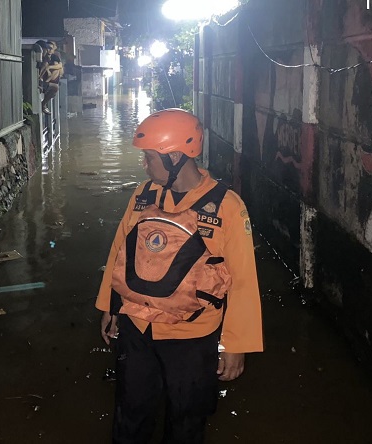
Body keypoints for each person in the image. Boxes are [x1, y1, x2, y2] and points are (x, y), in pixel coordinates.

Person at [95, 109, 263, 443]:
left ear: (174, 157)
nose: (144, 164)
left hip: (192, 335)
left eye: (149, 157)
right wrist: (110, 306)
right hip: (138, 327)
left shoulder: (227, 207)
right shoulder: (143, 195)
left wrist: (236, 345)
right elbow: (120, 251)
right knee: (130, 415)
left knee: (186, 421)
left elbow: (243, 280)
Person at [39, 41, 63, 114]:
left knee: (56, 69)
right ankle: (43, 104)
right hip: (42, 79)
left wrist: (49, 67)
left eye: (50, 48)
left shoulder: (54, 57)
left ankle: (43, 104)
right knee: (55, 87)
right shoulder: (43, 57)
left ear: (53, 50)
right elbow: (44, 66)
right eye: (47, 48)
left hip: (50, 80)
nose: (48, 50)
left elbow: (59, 66)